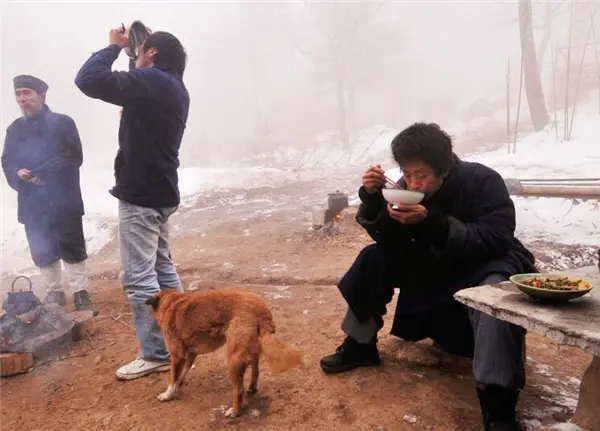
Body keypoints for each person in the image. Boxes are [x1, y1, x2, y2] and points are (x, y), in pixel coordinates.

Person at [319, 123, 537, 431]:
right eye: (406, 174)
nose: (412, 182)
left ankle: (498, 403)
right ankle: (359, 344)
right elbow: (390, 241)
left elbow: (497, 237)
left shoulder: (483, 180)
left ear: (443, 167)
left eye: (420, 175)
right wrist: (373, 199)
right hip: (436, 262)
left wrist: (435, 222)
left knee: (493, 298)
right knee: (374, 258)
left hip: (484, 263)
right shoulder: (409, 189)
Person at [74, 26, 190, 380]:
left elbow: (89, 80)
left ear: (152, 53)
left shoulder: (154, 82)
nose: (135, 57)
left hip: (141, 193)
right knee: (161, 270)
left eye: (141, 52)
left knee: (139, 276)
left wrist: (113, 46)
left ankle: (156, 352)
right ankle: (184, 338)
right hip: (160, 190)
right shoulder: (172, 88)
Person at [2, 75, 97, 315]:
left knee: (72, 245)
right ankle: (54, 294)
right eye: (19, 94)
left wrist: (39, 173)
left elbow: (73, 156)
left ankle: (80, 293)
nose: (22, 99)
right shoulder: (14, 129)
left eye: (27, 93)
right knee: (42, 249)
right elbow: (7, 161)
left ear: (41, 96)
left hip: (63, 198)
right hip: (32, 202)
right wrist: (18, 173)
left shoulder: (63, 123)